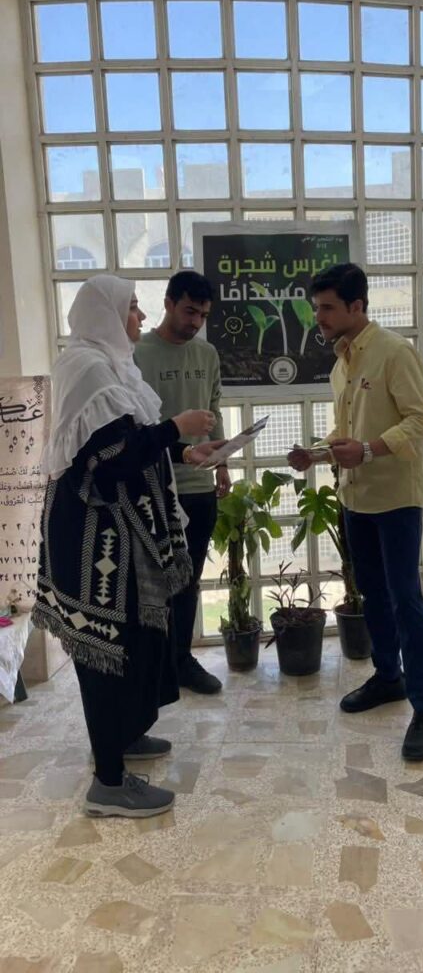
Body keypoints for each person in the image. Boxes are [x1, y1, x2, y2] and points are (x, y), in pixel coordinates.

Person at [32, 275, 225, 818]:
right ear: (106, 313)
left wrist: (182, 453)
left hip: (120, 538)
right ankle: (109, 783)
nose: (139, 317)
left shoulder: (113, 365)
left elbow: (127, 442)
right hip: (93, 543)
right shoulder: (86, 367)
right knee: (105, 651)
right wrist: (174, 429)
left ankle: (123, 737)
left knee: (133, 640)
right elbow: (108, 458)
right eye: (132, 307)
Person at [288, 263, 423, 761]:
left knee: (405, 599)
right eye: (317, 308)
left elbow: (421, 421)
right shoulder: (340, 365)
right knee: (373, 595)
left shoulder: (394, 352)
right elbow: (344, 434)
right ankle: (388, 677)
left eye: (328, 308)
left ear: (357, 306)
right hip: (355, 499)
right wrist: (315, 454)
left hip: (396, 499)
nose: (319, 317)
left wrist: (370, 451)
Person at [134, 270, 229, 695]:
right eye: (190, 311)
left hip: (199, 485)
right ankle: (153, 666)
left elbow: (213, 409)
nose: (195, 322)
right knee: (152, 584)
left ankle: (181, 660)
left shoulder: (207, 353)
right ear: (168, 303)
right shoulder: (137, 354)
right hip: (152, 486)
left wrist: (223, 464)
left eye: (203, 315)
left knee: (188, 580)